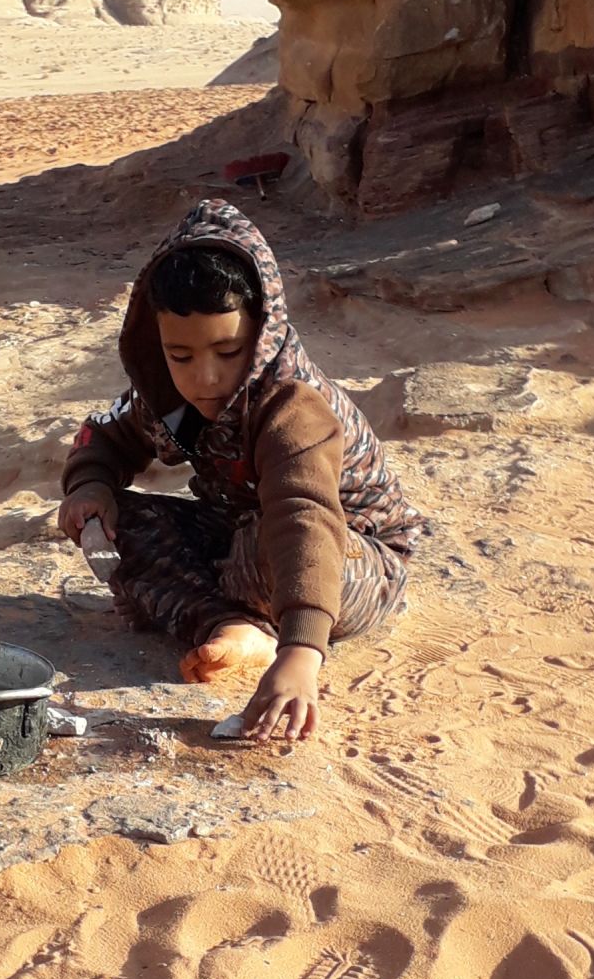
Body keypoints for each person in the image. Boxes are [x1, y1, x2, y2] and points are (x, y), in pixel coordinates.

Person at [59, 200, 424, 743]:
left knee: (269, 544)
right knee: (112, 529)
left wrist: (301, 655)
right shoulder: (166, 394)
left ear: (261, 333)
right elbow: (109, 433)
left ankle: (277, 632)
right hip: (234, 534)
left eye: (227, 351)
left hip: (347, 558)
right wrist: (92, 484)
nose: (204, 377)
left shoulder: (294, 406)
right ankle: (232, 627)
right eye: (179, 355)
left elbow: (305, 519)